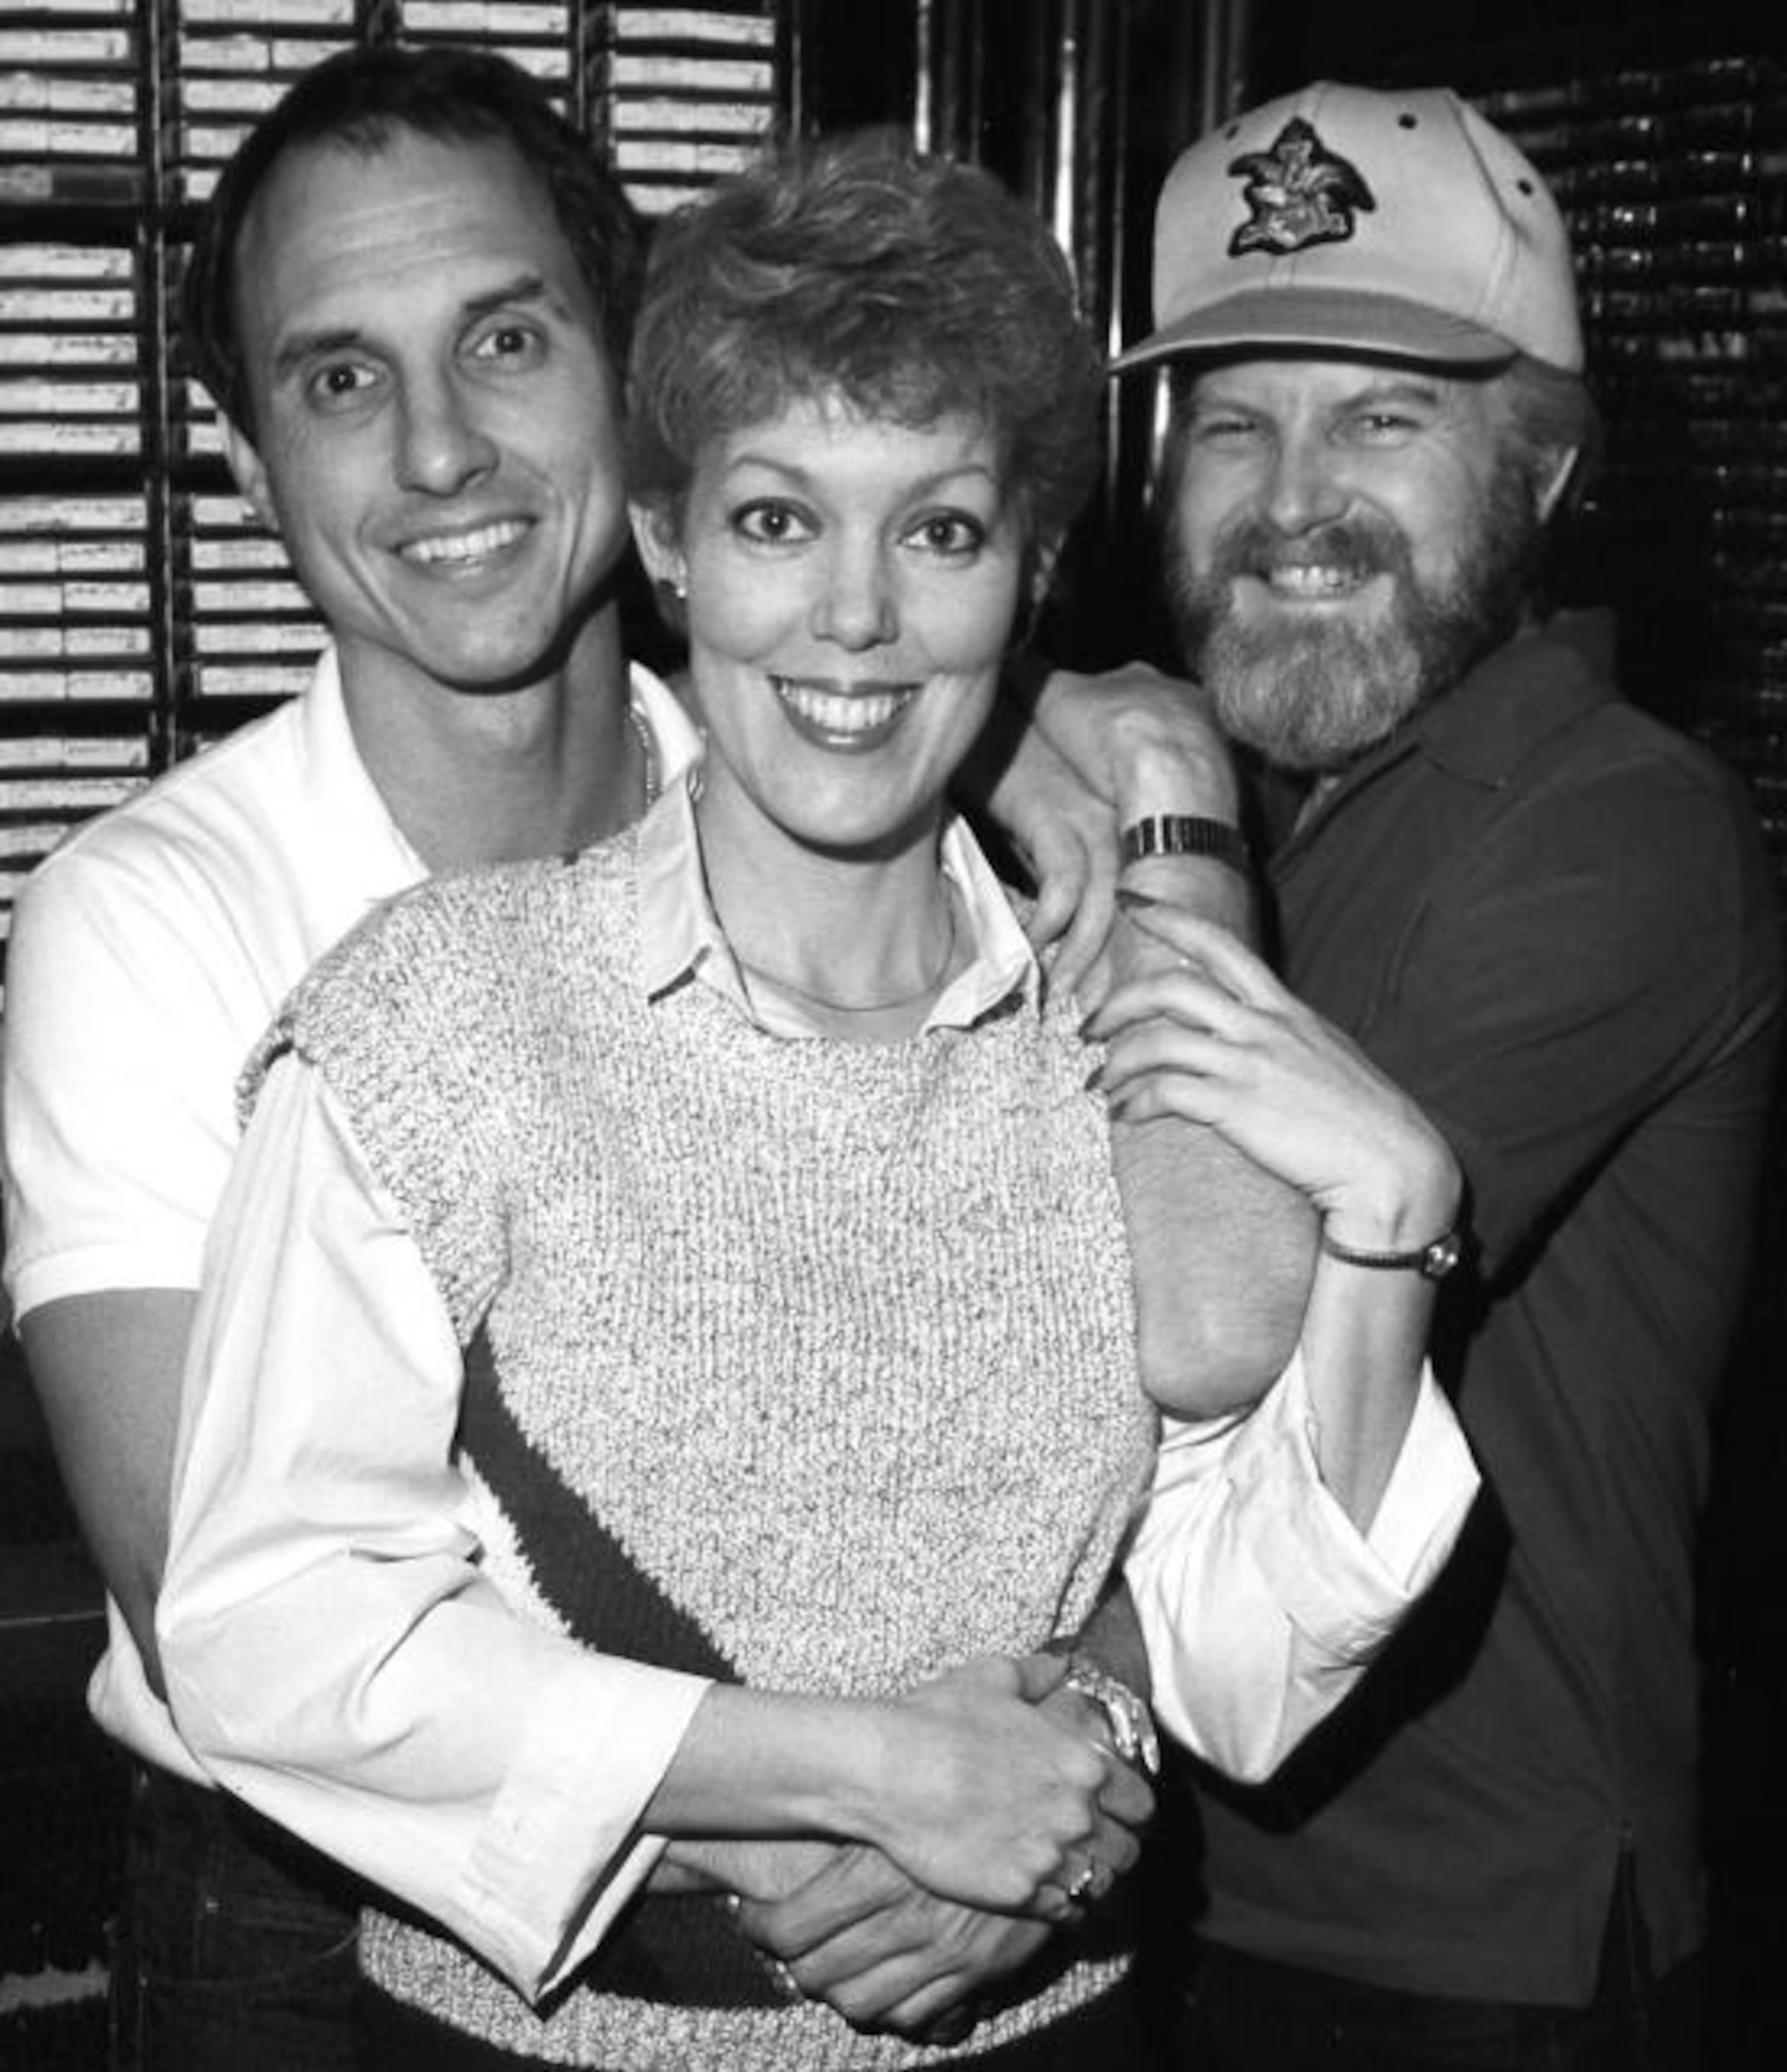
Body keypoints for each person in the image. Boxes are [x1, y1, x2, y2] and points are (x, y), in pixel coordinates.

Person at [155, 128, 1478, 2070]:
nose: (853, 619)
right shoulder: (434, 1024)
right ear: (670, 540)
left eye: (936, 530)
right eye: (780, 520)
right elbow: (273, 1632)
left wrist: (1390, 1225)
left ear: (1030, 569)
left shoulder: (1112, 1052)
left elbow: (1239, 1659)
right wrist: (866, 1777)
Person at [1108, 79, 1784, 2071]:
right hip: (1191, 1878)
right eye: (1236, 421)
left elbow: (1201, 1307)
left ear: (1550, 469)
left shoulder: (1620, 828)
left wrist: (1144, 782)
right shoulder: (1279, 797)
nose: (1291, 498)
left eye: (1383, 420)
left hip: (1462, 1953)